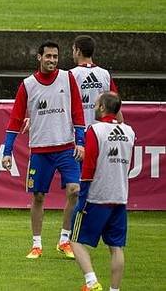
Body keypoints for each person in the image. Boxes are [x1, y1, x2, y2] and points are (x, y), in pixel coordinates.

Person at [2, 40, 85, 259]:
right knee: (38, 196)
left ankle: (64, 240)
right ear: (39, 57)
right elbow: (15, 119)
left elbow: (77, 110)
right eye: (48, 56)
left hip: (67, 148)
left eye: (55, 57)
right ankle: (37, 244)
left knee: (75, 190)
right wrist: (7, 151)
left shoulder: (68, 78)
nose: (52, 60)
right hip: (40, 150)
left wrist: (81, 141)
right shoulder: (28, 84)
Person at [70, 92, 135, 291]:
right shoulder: (129, 131)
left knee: (74, 240)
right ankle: (114, 290)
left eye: (96, 103)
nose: (94, 106)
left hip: (97, 197)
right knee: (116, 247)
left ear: (102, 107)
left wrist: (82, 199)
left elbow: (89, 168)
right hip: (120, 196)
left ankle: (91, 282)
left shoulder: (95, 130)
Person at [70, 35, 123, 126]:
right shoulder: (105, 74)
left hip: (80, 131)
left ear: (78, 51)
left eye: (73, 50)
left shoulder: (71, 75)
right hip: (102, 130)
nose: (73, 53)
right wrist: (121, 124)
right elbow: (116, 104)